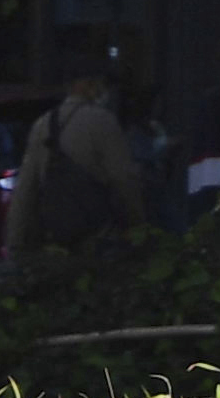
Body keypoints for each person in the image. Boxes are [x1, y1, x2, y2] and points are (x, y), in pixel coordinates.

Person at [10, 62, 149, 264]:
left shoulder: (43, 124)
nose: (105, 92)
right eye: (102, 85)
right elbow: (123, 179)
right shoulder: (103, 121)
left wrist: (16, 242)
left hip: (55, 239)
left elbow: (26, 189)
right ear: (88, 85)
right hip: (98, 239)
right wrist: (138, 227)